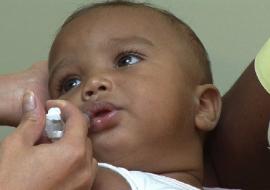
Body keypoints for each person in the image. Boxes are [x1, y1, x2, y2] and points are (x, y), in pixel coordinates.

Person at [0, 1, 269, 189]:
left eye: (126, 60)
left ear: (203, 107)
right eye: (71, 82)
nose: (93, 83)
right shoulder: (103, 182)